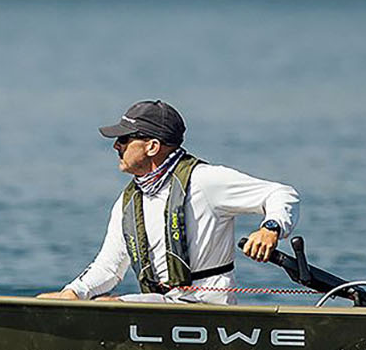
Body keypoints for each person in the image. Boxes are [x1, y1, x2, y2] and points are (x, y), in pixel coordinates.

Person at [37, 99, 298, 305]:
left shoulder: (205, 181)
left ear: (152, 146)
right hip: (163, 306)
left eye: (125, 139)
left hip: (208, 308)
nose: (116, 145)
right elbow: (109, 266)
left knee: (108, 307)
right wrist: (73, 294)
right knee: (89, 305)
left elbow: (282, 193)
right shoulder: (128, 202)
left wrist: (271, 228)